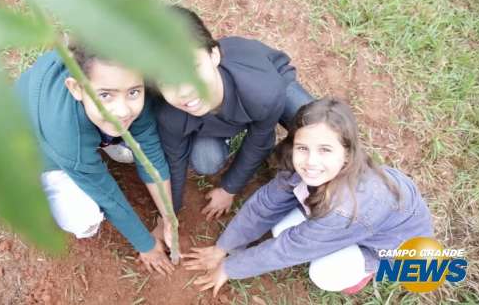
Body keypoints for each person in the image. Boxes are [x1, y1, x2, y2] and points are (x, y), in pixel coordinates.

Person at [182, 98, 433, 295]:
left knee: (324, 274)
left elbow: (289, 249)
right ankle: (332, 241)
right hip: (353, 221)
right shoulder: (305, 167)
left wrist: (229, 268)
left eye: (325, 150)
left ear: (347, 153)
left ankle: (366, 271)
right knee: (281, 228)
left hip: (387, 247)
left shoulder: (347, 206)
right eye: (303, 148)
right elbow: (263, 206)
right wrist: (223, 247)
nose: (311, 162)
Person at [15, 44, 175, 274]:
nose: (122, 110)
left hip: (82, 121)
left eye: (133, 92)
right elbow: (107, 195)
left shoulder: (127, 80)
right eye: (105, 95)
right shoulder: (65, 133)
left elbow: (150, 151)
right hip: (35, 149)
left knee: (129, 138)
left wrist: (168, 217)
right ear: (76, 88)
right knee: (84, 218)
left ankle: (104, 136)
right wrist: (146, 245)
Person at [156, 5, 314, 219]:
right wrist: (168, 217)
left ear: (214, 55)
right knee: (205, 161)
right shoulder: (169, 114)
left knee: (315, 125)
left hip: (271, 82)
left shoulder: (263, 92)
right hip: (223, 111)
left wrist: (229, 189)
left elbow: (259, 141)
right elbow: (175, 162)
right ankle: (229, 133)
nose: (184, 90)